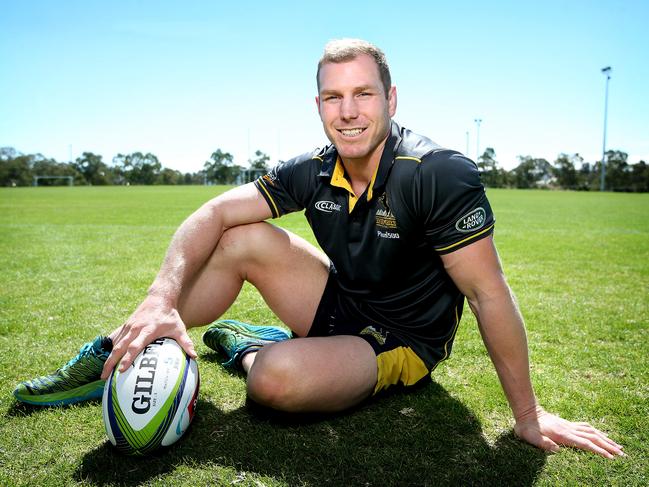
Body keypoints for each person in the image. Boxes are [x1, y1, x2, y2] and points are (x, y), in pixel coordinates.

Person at [14, 39, 623, 459]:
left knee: (274, 384)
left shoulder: (436, 173)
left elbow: (488, 294)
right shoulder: (313, 168)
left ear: (392, 98)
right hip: (338, 300)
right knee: (242, 235)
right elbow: (215, 210)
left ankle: (252, 344)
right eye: (334, 98)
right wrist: (158, 297)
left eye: (363, 94)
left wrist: (527, 415)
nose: (349, 111)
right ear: (319, 106)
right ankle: (130, 342)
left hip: (400, 340)